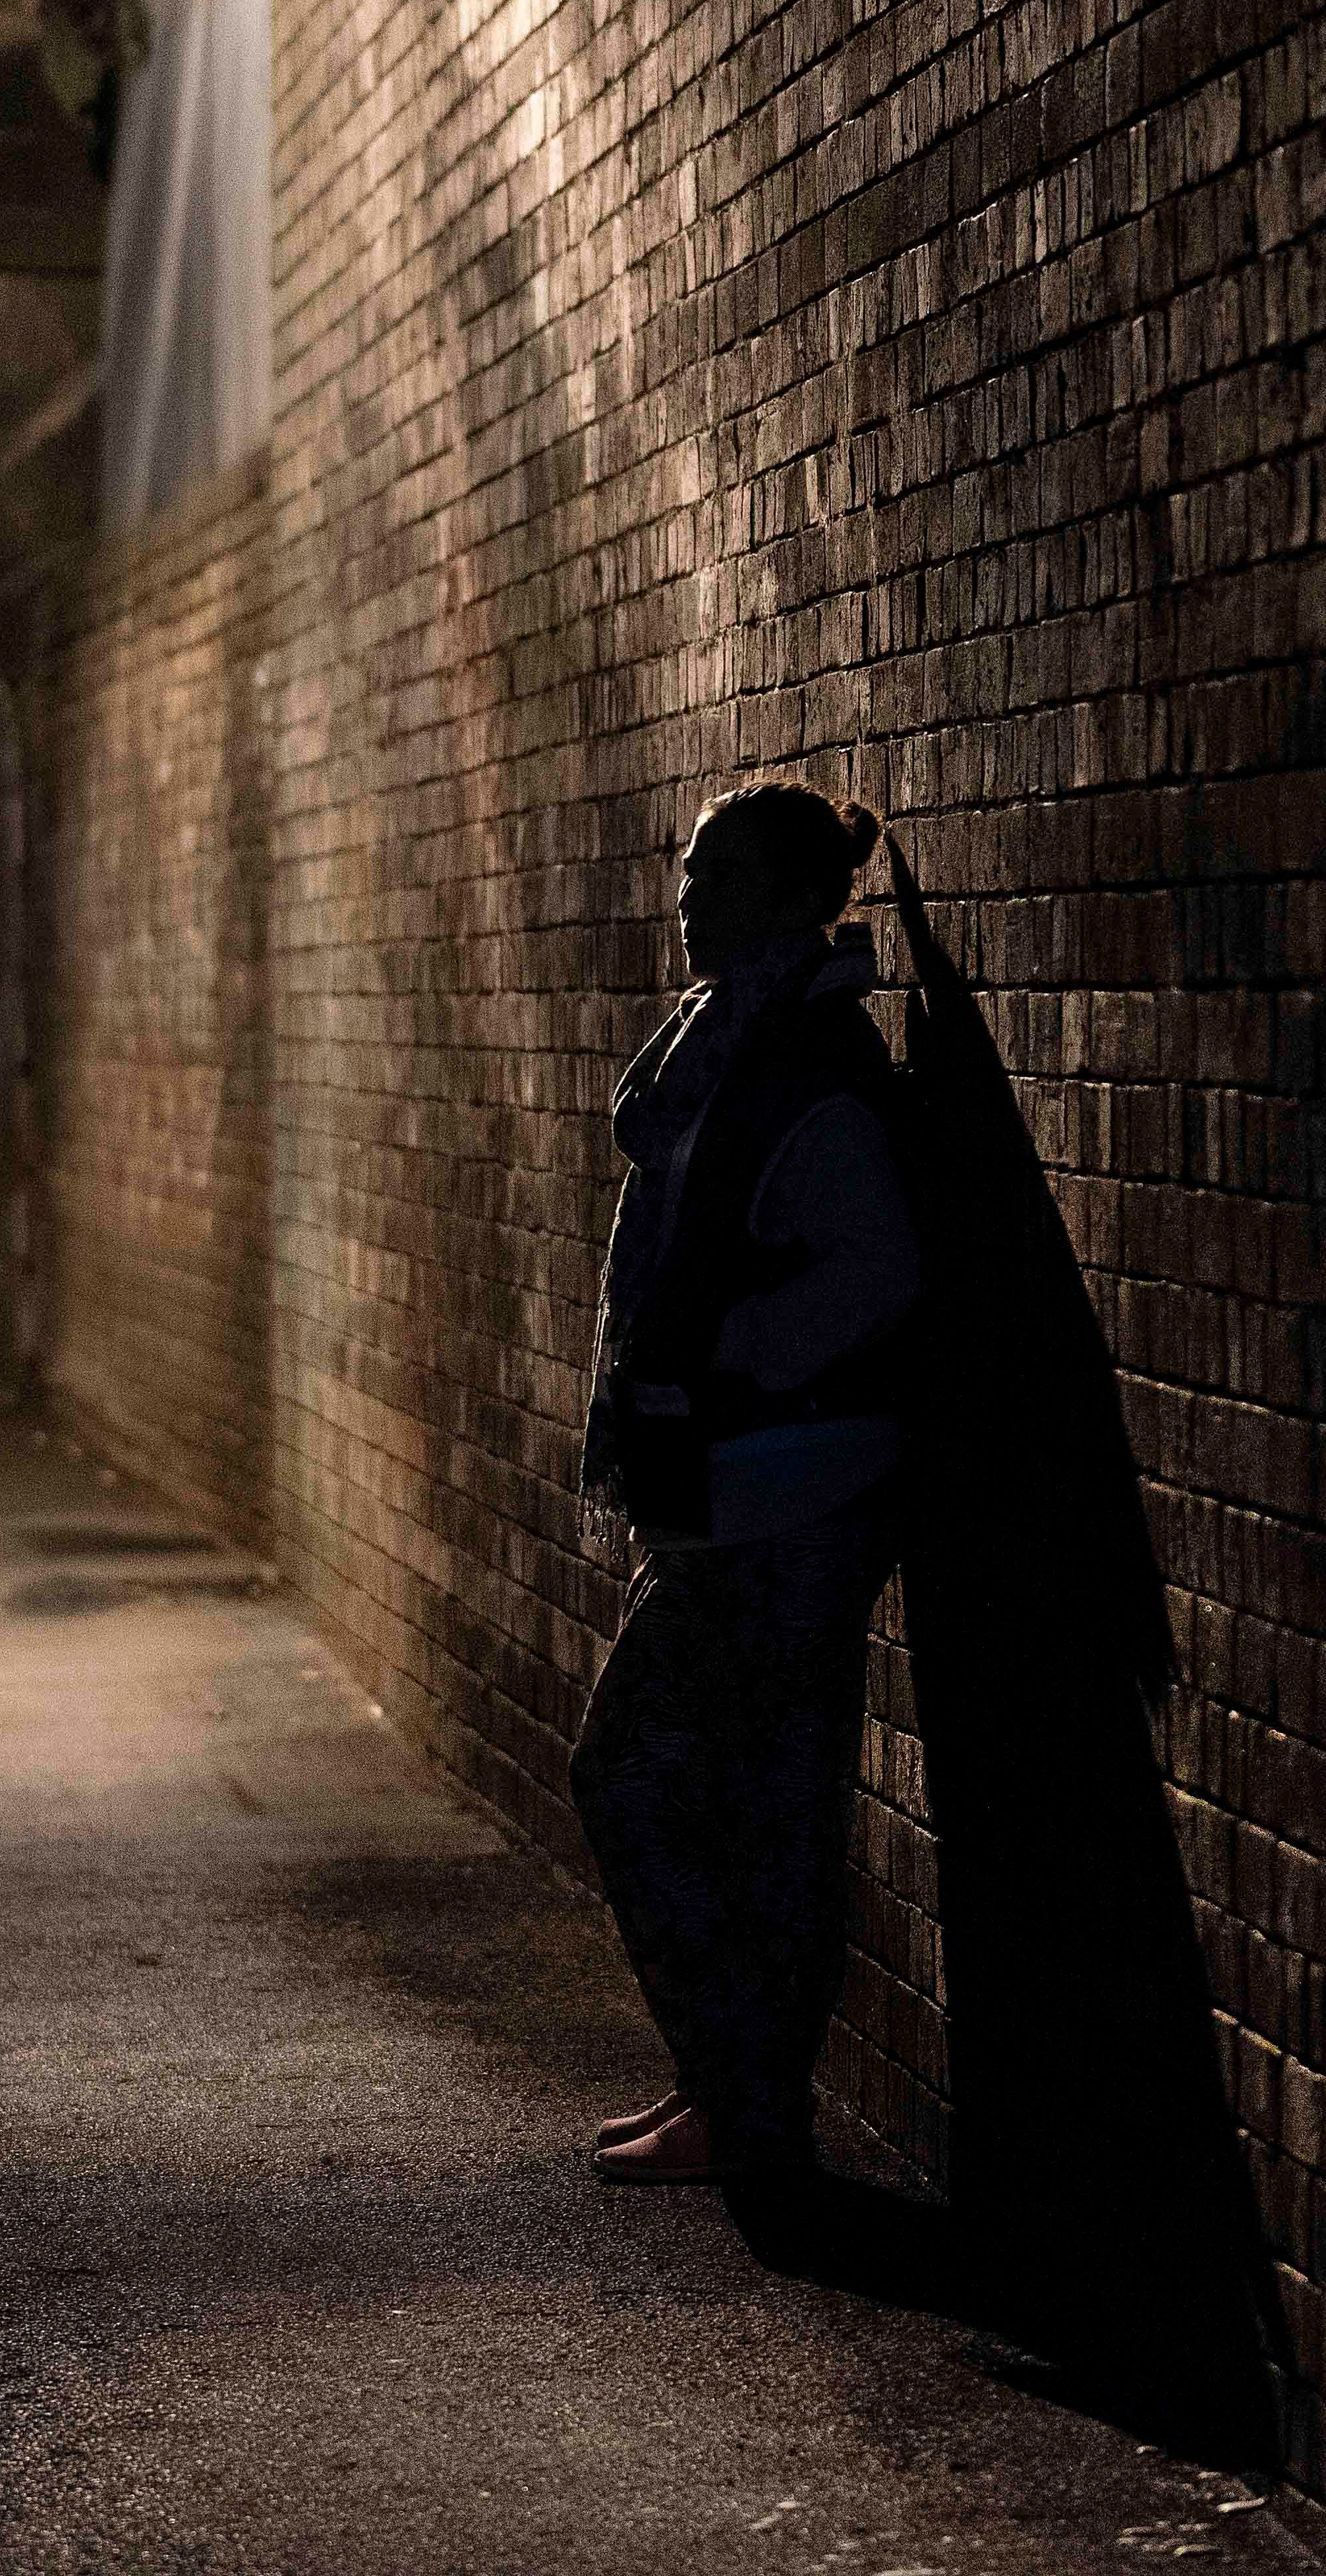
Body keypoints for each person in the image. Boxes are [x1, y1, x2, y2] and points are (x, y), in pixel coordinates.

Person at [569, 781, 919, 2187]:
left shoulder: (808, 1063)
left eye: (712, 876)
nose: (685, 896)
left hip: (789, 1490)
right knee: (729, 1791)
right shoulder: (734, 1039)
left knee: (661, 1776)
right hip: (731, 1487)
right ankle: (727, 2086)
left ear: (783, 897)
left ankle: (746, 2095)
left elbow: (880, 1267)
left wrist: (732, 1356)